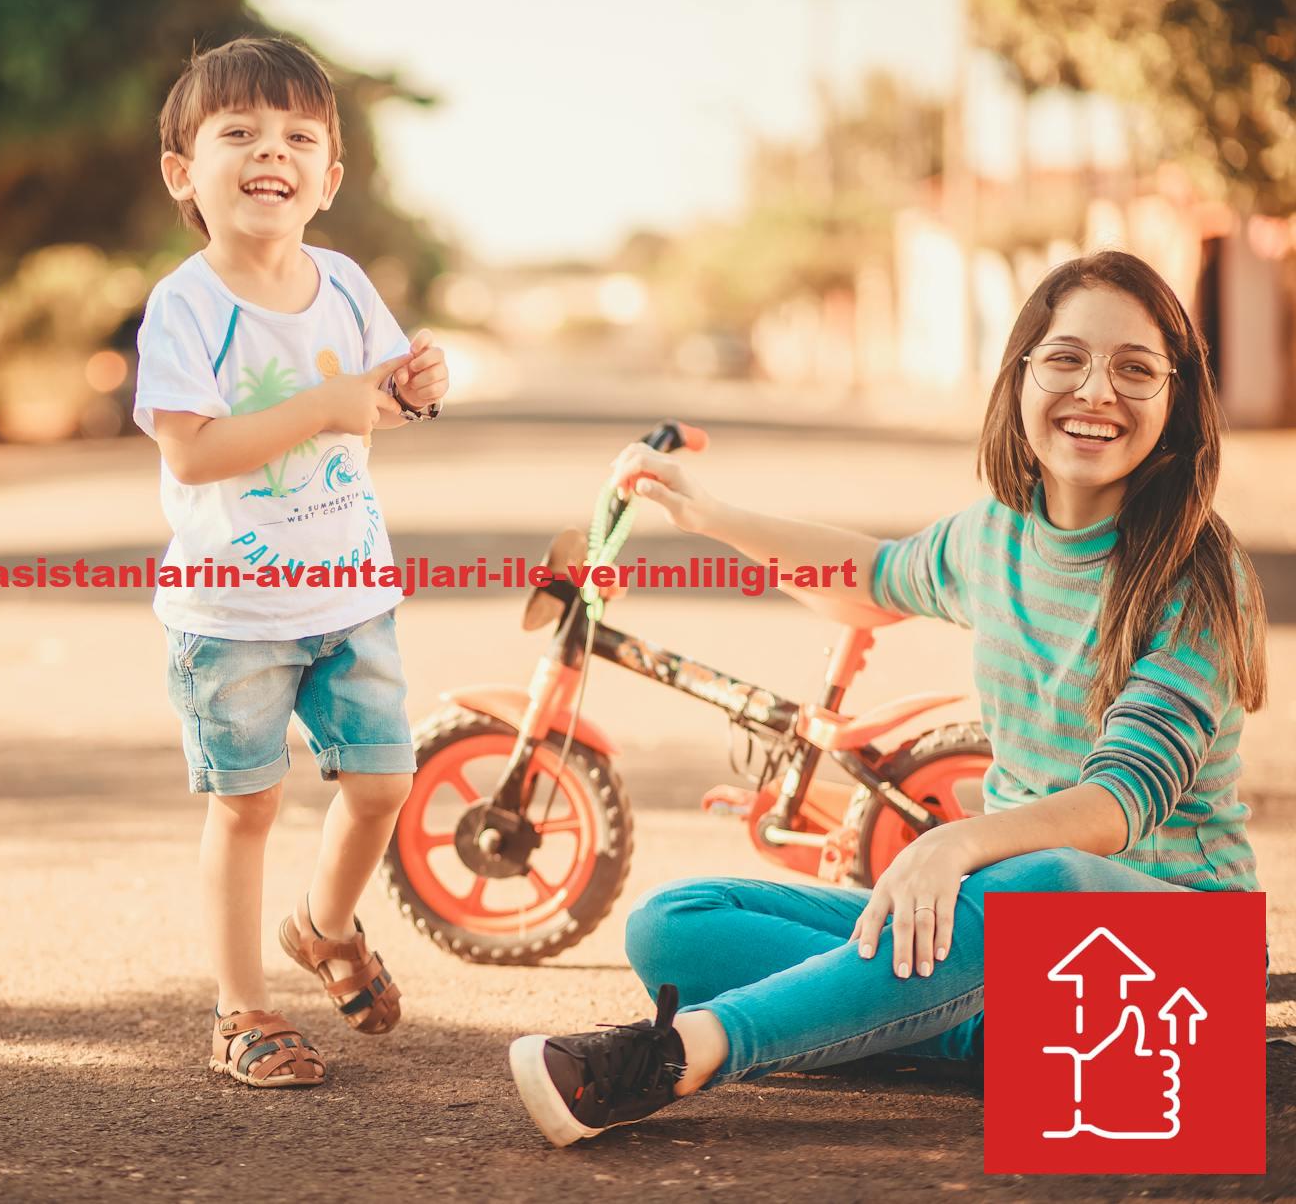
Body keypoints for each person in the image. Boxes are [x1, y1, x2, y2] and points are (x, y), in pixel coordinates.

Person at [507, 250, 1268, 1146]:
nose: (1096, 389)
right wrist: (706, 513)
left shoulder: (1199, 576)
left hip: (1176, 964)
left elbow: (1112, 808)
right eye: (1066, 357)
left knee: (1040, 882)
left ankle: (686, 1053)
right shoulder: (997, 535)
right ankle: (988, 1031)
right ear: (1019, 375)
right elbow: (867, 577)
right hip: (1011, 942)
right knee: (674, 926)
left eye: (1135, 368)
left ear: (1176, 403)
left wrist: (955, 844)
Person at [133, 36, 449, 1088]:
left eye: (296, 137)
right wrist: (321, 401)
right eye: (239, 134)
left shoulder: (346, 283)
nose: (271, 152)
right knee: (247, 803)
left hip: (351, 594)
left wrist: (410, 388)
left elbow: (380, 410)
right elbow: (192, 447)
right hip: (232, 610)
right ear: (184, 172)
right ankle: (241, 1011)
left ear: (328, 176)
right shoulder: (186, 304)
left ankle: (321, 925)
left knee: (382, 782)